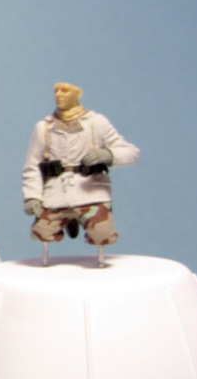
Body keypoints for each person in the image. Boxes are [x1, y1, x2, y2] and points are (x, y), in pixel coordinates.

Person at [22, 82, 139, 264]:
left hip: (91, 192)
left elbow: (131, 152)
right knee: (41, 233)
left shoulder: (97, 123)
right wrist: (32, 196)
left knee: (103, 236)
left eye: (65, 91)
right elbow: (32, 166)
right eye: (56, 91)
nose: (58, 94)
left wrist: (108, 154)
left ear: (77, 95)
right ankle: (68, 220)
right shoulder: (43, 127)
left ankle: (92, 241)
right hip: (56, 194)